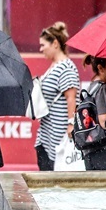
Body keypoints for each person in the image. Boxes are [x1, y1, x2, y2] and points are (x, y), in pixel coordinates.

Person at [35, 22, 79, 171]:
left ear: (55, 44)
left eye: (43, 45)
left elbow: (71, 98)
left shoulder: (66, 66)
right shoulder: (54, 66)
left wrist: (71, 124)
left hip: (59, 135)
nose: (41, 50)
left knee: (55, 178)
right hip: (47, 132)